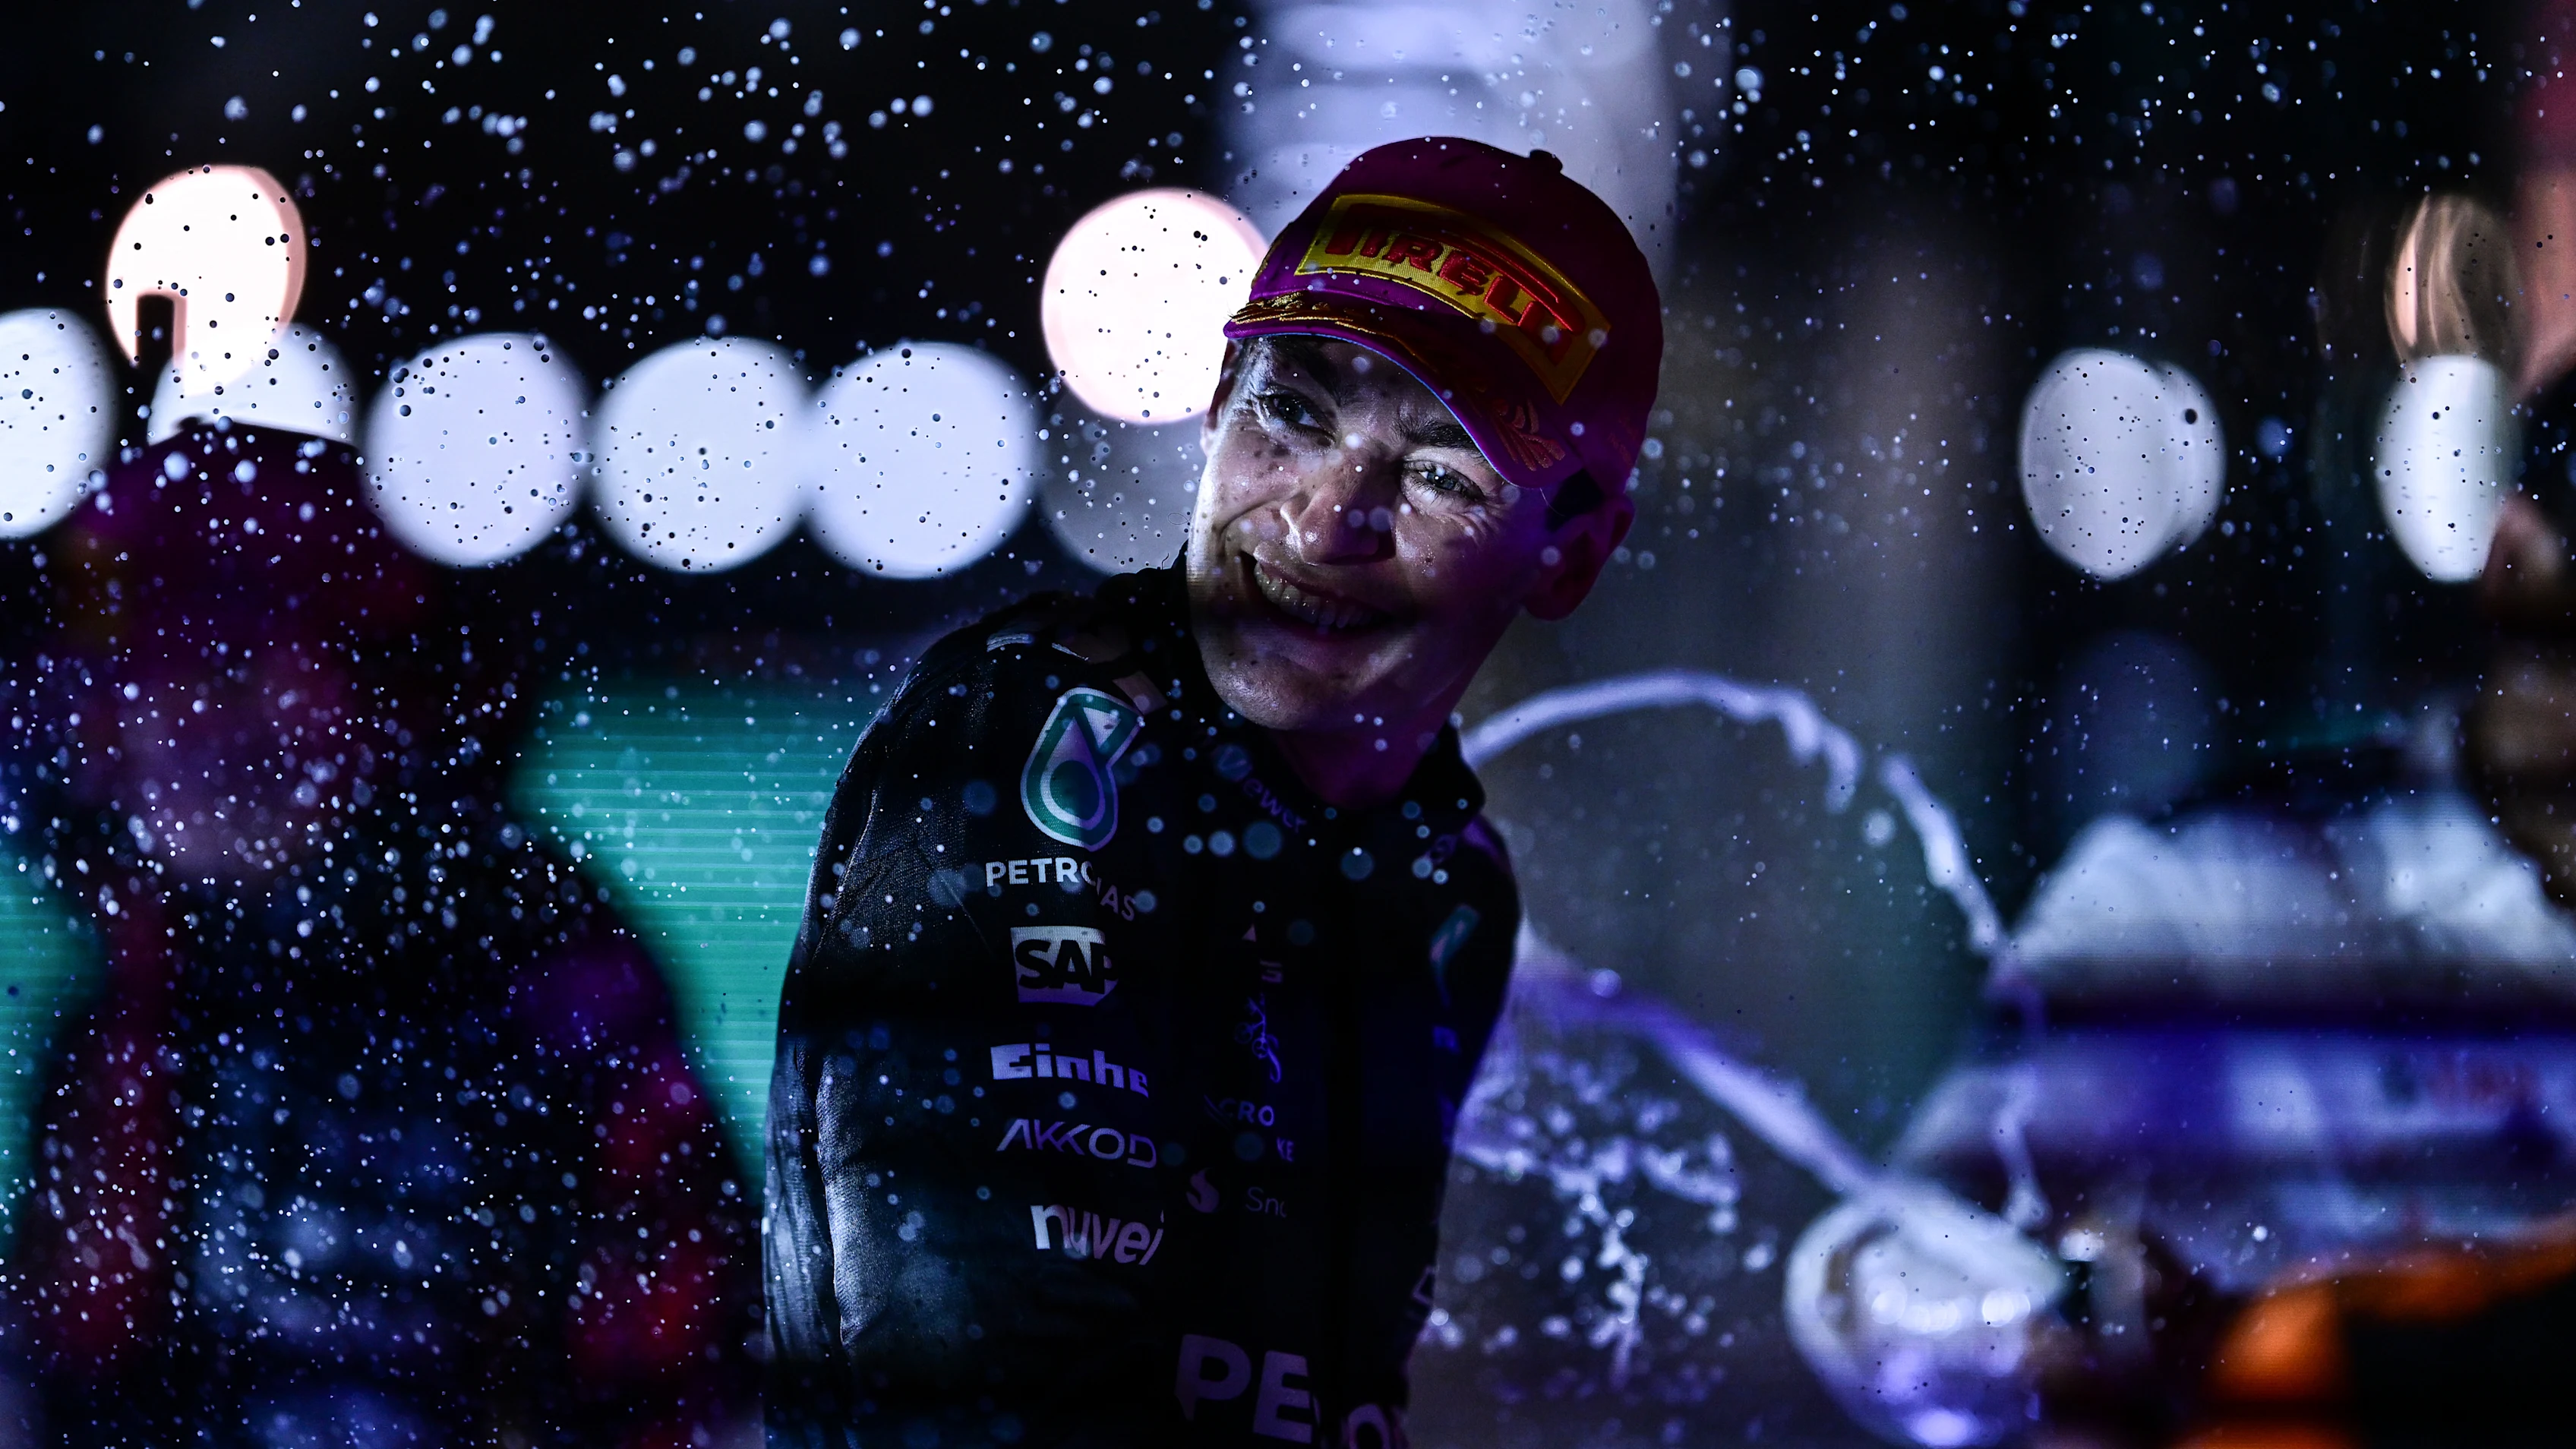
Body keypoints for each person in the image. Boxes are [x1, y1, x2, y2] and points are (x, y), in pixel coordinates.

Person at [764, 137, 1660, 1447]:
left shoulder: (1450, 875)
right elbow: (973, 1393)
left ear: (1571, 553)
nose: (1325, 518)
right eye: (1293, 411)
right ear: (1213, 402)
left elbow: (1339, 1392)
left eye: (1439, 472)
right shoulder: (1037, 734)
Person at [0, 408, 759, 1444]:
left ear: (374, 686)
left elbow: (681, 1384)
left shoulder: (540, 997)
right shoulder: (142, 1008)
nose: (164, 726)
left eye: (223, 667)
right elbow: (70, 1376)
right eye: (139, 675)